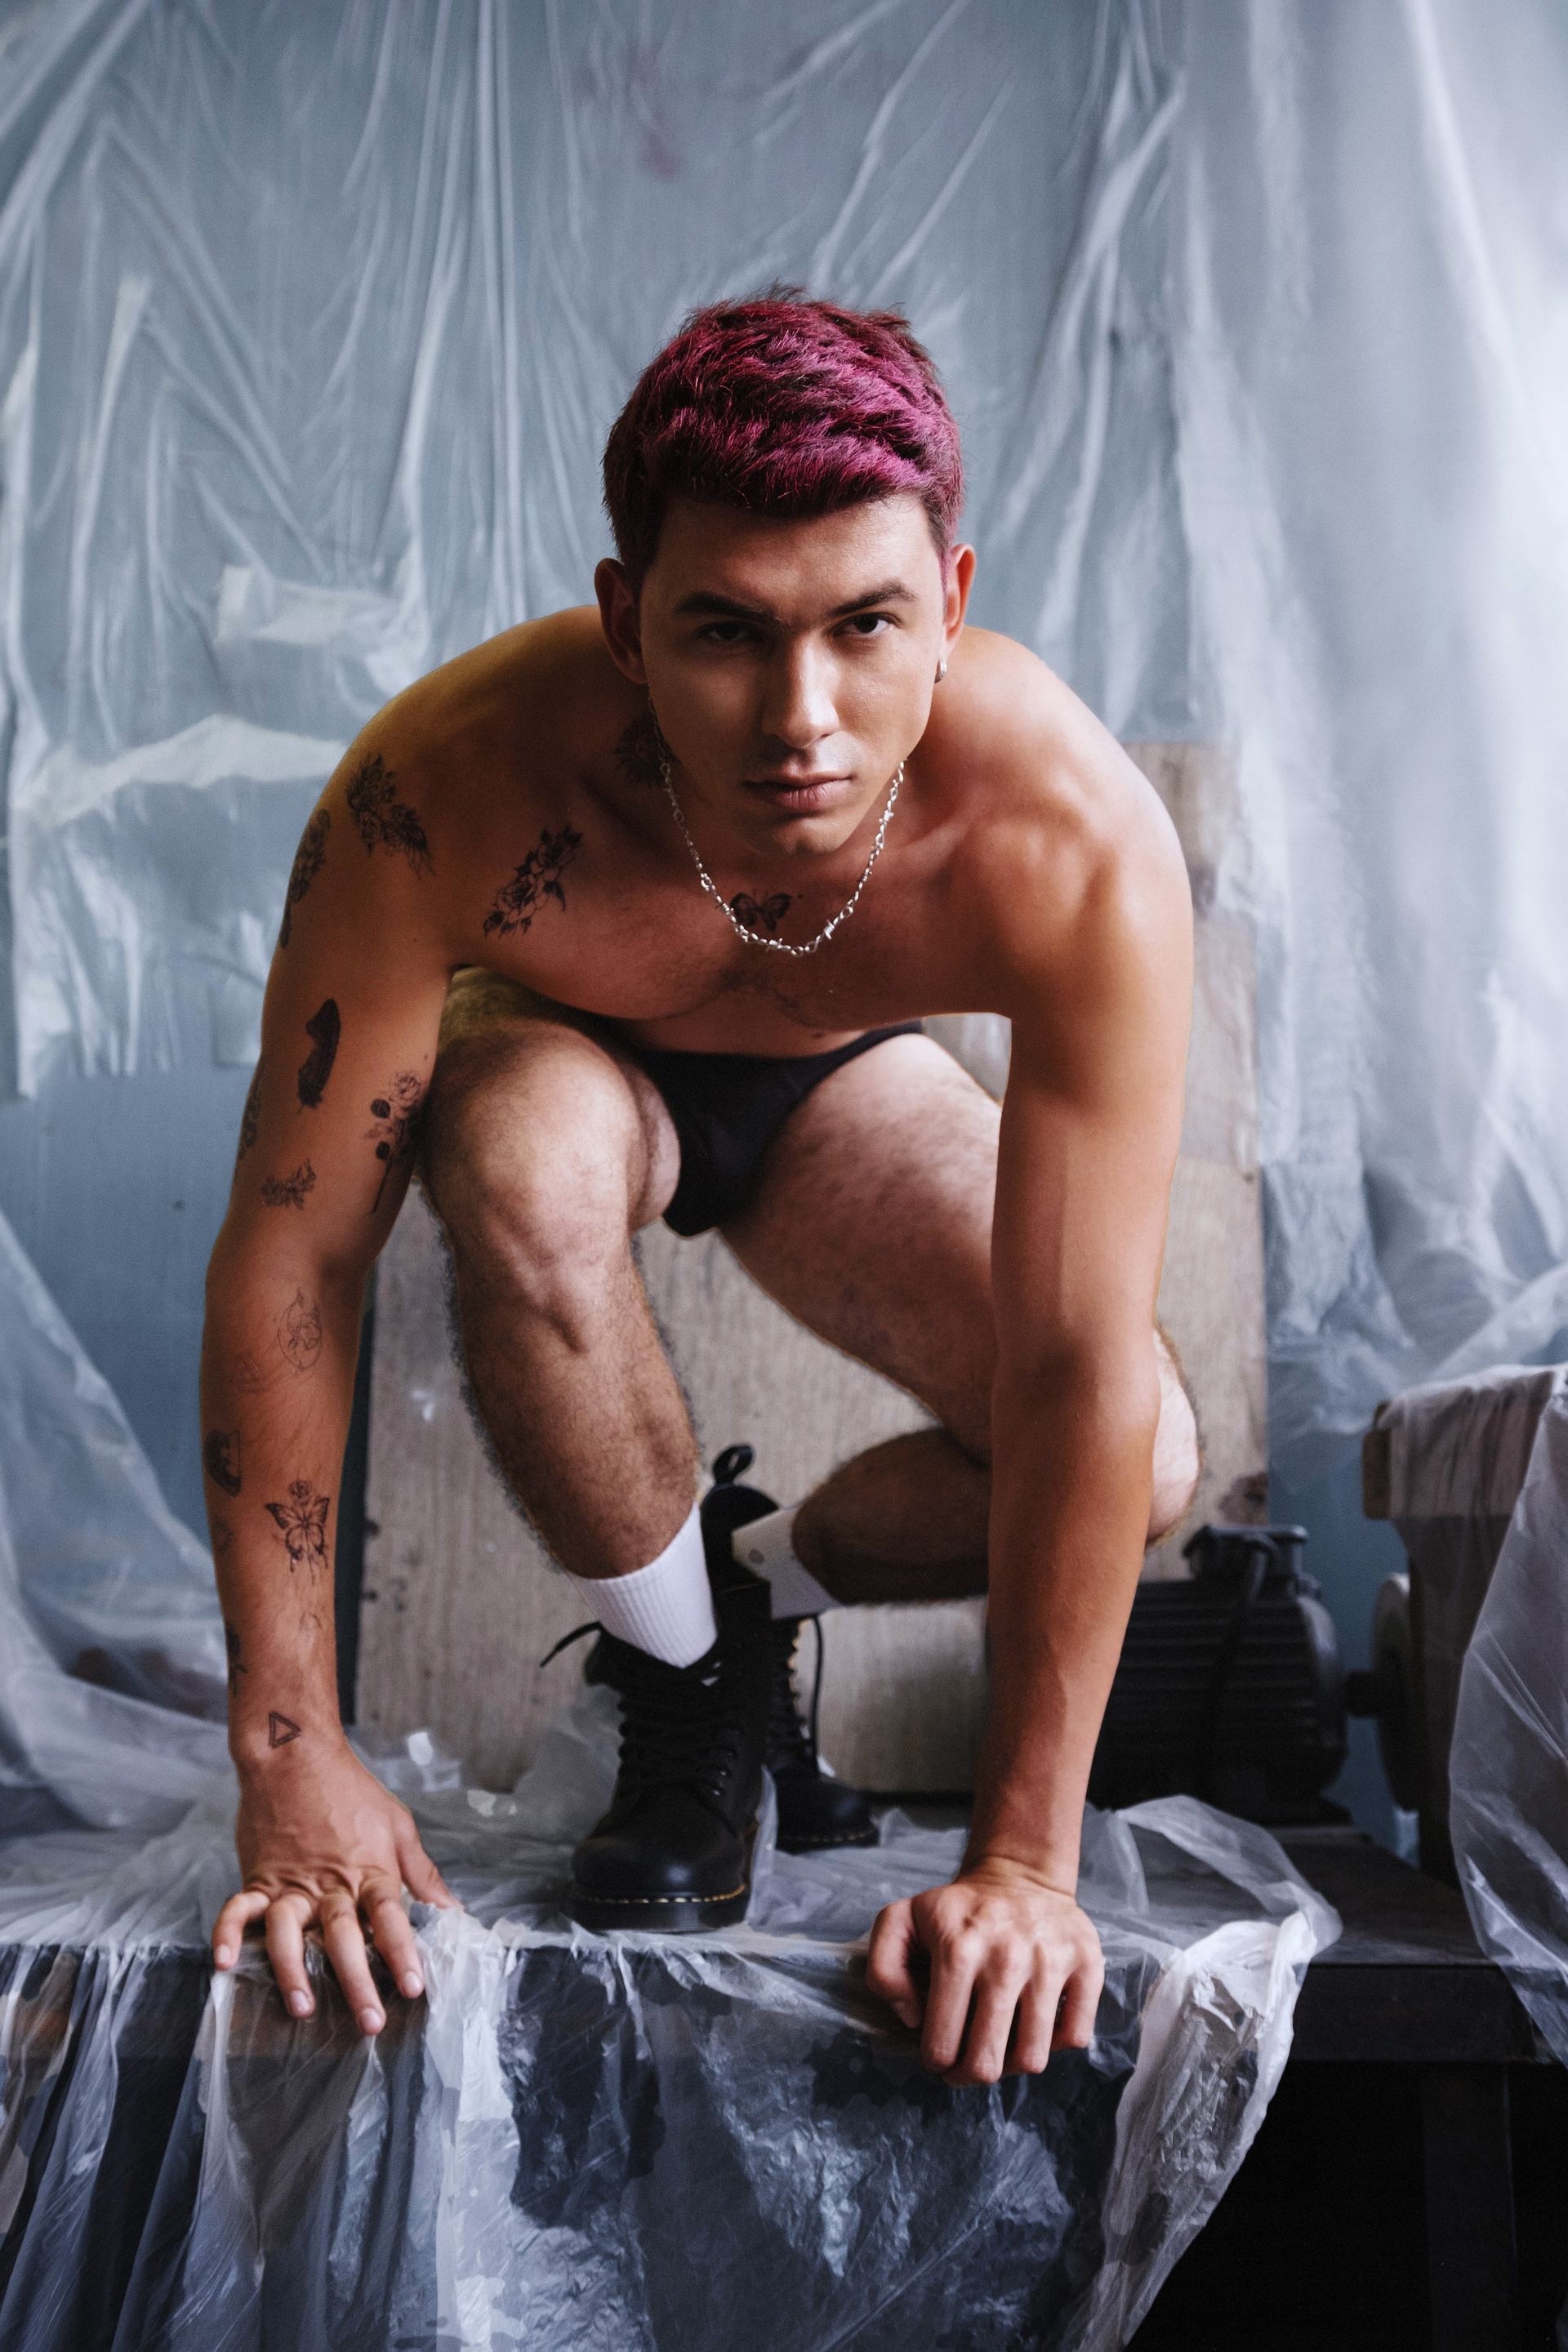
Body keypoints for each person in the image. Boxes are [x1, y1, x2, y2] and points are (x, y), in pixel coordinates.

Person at [204, 292, 1196, 2088]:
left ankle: (745, 1614)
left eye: (865, 626)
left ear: (952, 603)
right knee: (521, 1163)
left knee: (1160, 1460)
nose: (800, 721)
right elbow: (294, 1257)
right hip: (566, 1050)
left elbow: (1075, 1363)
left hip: (840, 1076)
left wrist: (1025, 1868)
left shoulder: (1068, 839)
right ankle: (674, 1669)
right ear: (624, 621)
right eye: (726, 632)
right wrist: (289, 1749)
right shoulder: (445, 786)